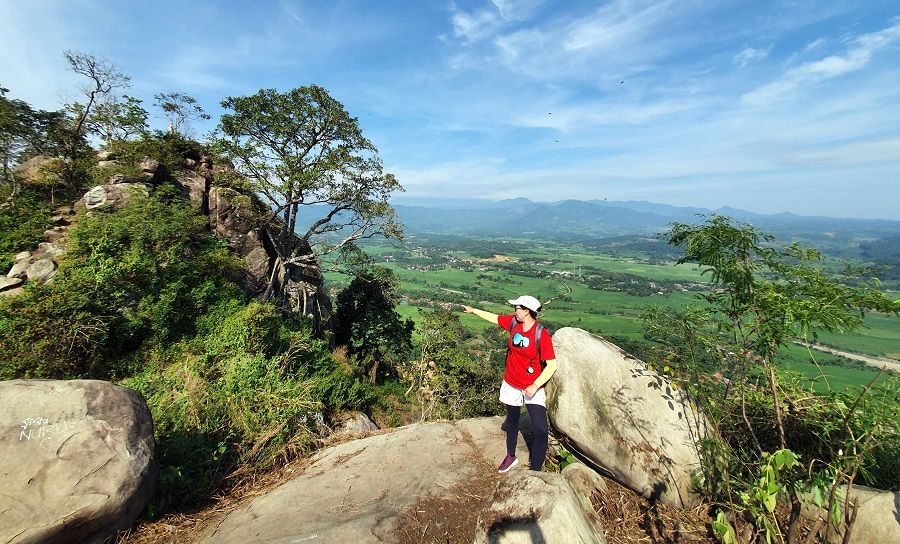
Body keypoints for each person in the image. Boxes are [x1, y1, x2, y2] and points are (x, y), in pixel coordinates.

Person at [462, 295, 558, 473]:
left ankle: (535, 470)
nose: (515, 310)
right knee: (513, 421)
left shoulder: (541, 334)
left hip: (532, 386)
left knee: (541, 430)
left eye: (518, 308)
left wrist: (535, 385)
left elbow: (551, 365)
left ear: (527, 311)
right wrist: (474, 311)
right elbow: (495, 318)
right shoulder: (514, 323)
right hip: (512, 383)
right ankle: (511, 456)